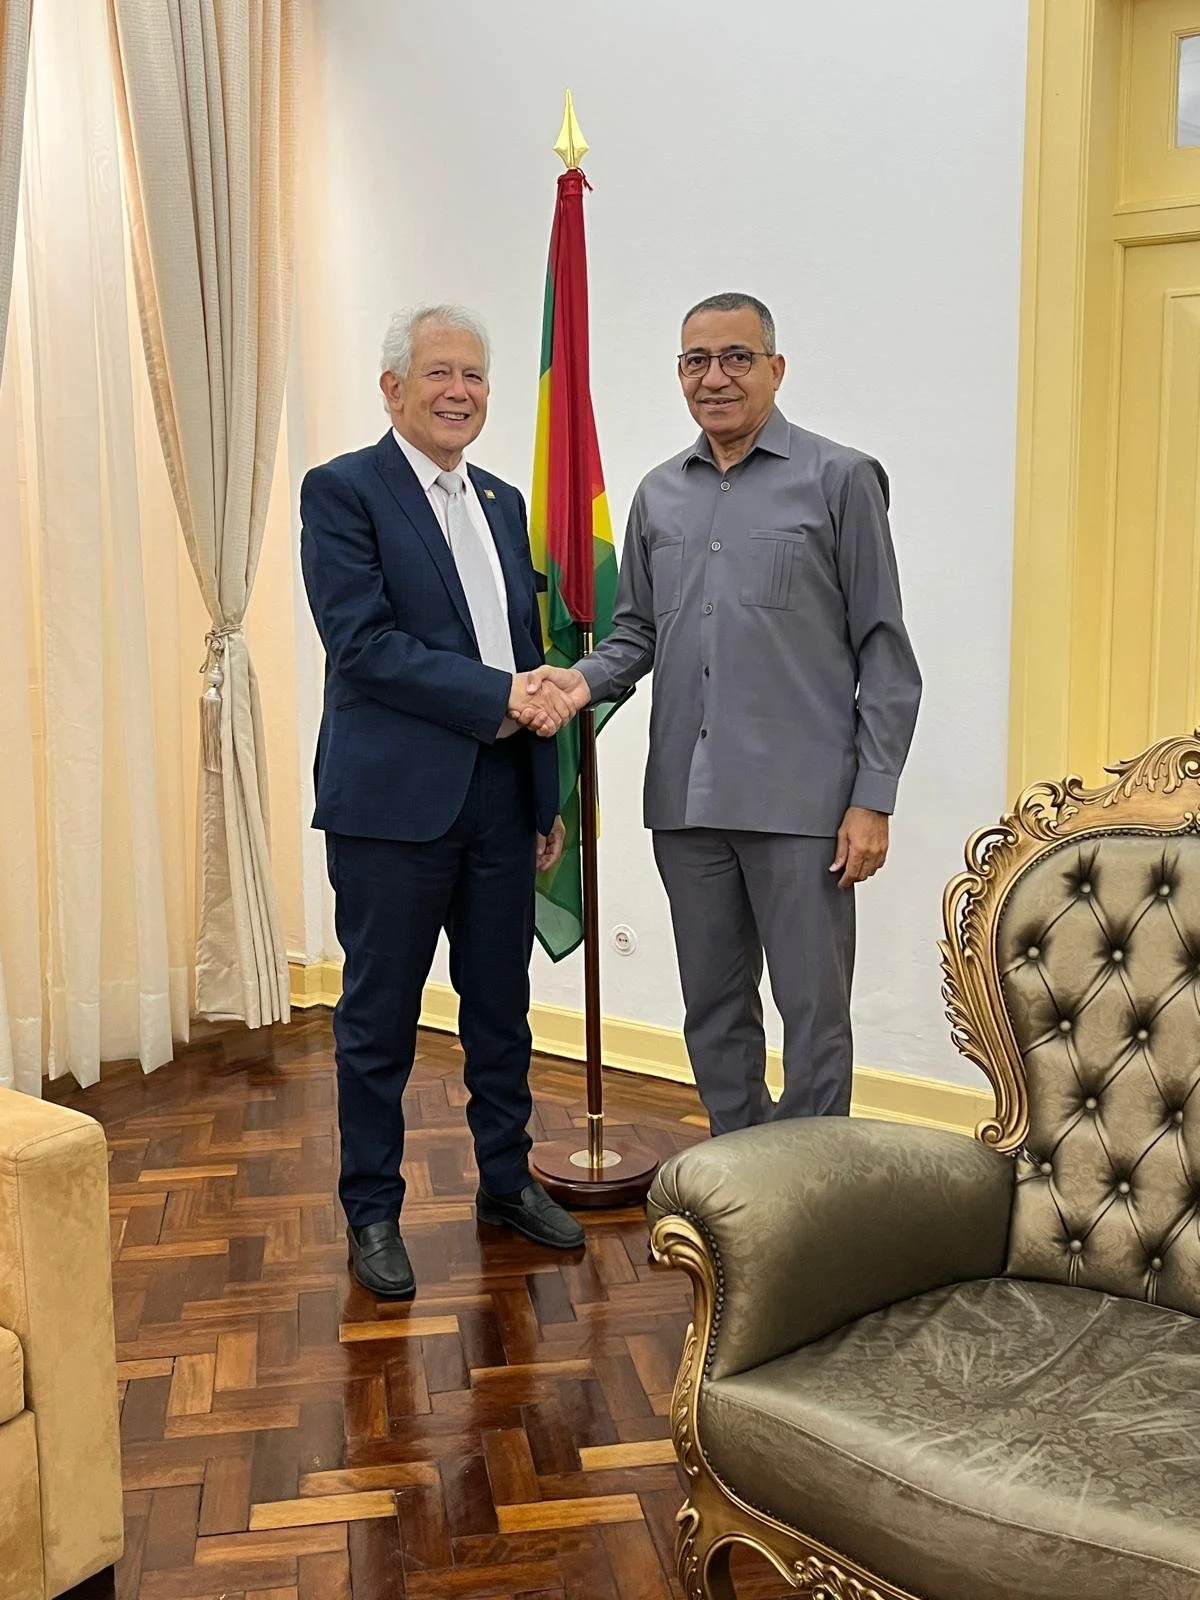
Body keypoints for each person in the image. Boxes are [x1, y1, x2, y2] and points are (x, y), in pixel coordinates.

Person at [534, 292, 922, 1136]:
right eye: (696, 361)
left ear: (775, 369)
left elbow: (887, 655)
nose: (716, 377)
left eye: (737, 357)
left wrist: (873, 797)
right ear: (680, 376)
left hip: (805, 810)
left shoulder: (841, 479)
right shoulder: (657, 497)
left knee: (814, 1017)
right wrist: (579, 684)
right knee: (712, 1012)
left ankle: (813, 1199)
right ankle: (741, 1186)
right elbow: (635, 632)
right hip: (686, 803)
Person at [300, 303, 586, 1300]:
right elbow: (363, 644)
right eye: (438, 374)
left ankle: (504, 1182)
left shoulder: (503, 501)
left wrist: (544, 793)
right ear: (393, 388)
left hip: (503, 803)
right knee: (378, 1021)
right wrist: (499, 698)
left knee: (500, 1010)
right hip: (392, 809)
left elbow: (522, 647)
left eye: (474, 375)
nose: (459, 391)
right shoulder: (343, 491)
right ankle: (372, 1210)